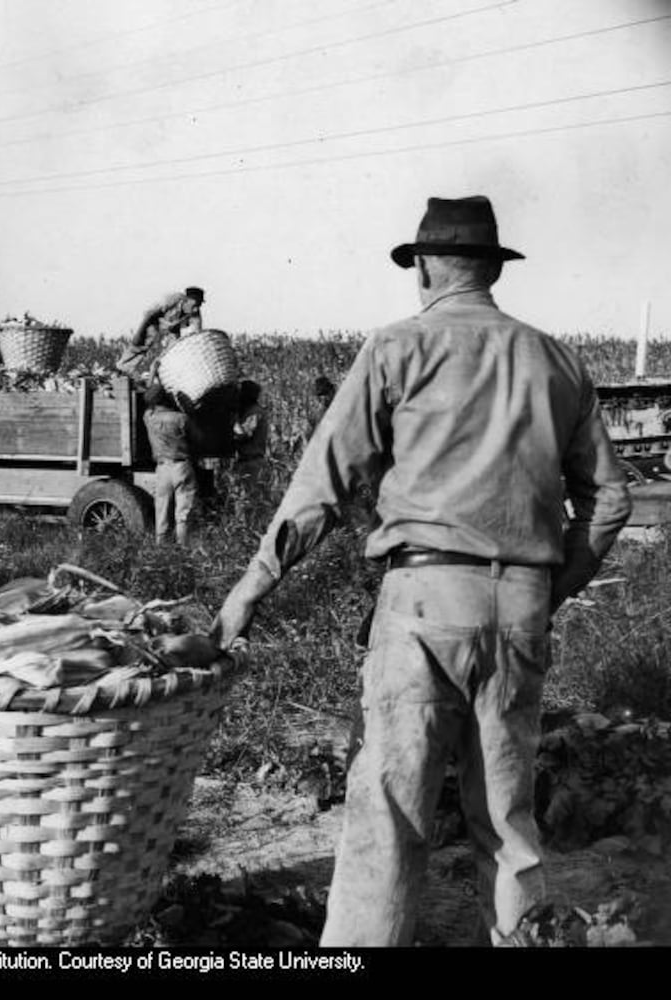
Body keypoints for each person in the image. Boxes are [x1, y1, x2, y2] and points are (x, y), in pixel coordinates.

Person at [211, 196, 632, 947]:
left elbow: (322, 486)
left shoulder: (397, 349)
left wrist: (248, 593)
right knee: (507, 821)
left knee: (390, 814)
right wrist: (550, 590)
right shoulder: (556, 359)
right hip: (521, 606)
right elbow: (609, 502)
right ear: (491, 268)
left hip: (423, 602)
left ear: (428, 268)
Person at [143, 383, 197, 545]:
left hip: (162, 468)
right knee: (183, 514)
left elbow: (147, 398)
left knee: (162, 511)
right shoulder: (181, 418)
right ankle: (183, 548)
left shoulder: (148, 418)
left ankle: (161, 550)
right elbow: (197, 438)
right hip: (181, 467)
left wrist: (152, 373)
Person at [117, 286, 205, 377]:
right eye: (194, 305)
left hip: (173, 328)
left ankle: (160, 374)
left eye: (199, 306)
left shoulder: (196, 313)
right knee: (142, 342)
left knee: (173, 350)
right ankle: (123, 367)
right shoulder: (171, 299)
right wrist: (140, 333)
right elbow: (150, 314)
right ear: (186, 300)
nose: (196, 309)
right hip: (155, 319)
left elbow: (197, 334)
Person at [232, 379, 269, 484]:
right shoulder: (248, 412)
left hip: (251, 464)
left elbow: (242, 435)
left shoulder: (255, 412)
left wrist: (232, 417)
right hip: (245, 463)